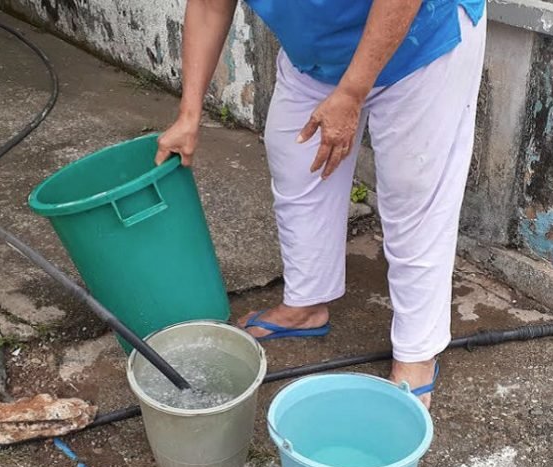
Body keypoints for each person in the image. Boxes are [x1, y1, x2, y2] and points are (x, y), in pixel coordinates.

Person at [155, 0, 486, 408]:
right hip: (318, 52)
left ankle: (416, 352)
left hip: (421, 41)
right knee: (297, 161)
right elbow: (209, 5)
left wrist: (351, 92)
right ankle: (307, 304)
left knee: (414, 192)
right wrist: (189, 113)